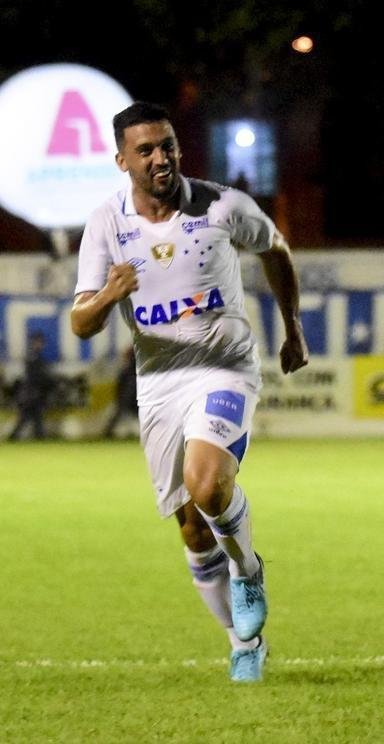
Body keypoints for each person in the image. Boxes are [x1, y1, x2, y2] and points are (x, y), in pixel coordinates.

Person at [70, 101, 308, 682]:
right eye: (146, 150)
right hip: (159, 383)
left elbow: (275, 248)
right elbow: (80, 320)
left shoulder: (223, 205)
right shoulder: (106, 223)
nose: (161, 158)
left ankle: (248, 570)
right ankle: (242, 643)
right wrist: (107, 295)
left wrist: (292, 327)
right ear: (121, 159)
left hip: (225, 367)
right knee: (192, 528)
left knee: (208, 484)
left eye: (168, 145)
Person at [8, 332, 56, 441]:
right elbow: (35, 376)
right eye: (38, 341)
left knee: (34, 417)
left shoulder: (35, 356)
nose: (40, 344)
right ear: (33, 342)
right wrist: (50, 382)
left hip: (33, 392)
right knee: (28, 417)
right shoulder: (33, 357)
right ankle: (15, 438)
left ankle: (38, 437)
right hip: (31, 393)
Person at [103, 347, 139, 439]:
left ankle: (108, 432)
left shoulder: (129, 373)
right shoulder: (130, 373)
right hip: (136, 409)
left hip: (133, 407)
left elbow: (122, 397)